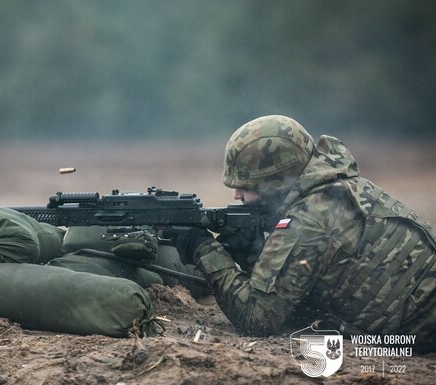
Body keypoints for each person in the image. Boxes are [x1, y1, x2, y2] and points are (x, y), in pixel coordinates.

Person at [171, 115, 436, 352]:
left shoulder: (308, 220)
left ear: (274, 183)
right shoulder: (338, 189)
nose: (237, 195)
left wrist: (203, 249)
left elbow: (259, 319)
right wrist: (254, 259)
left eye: (246, 185)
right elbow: (299, 296)